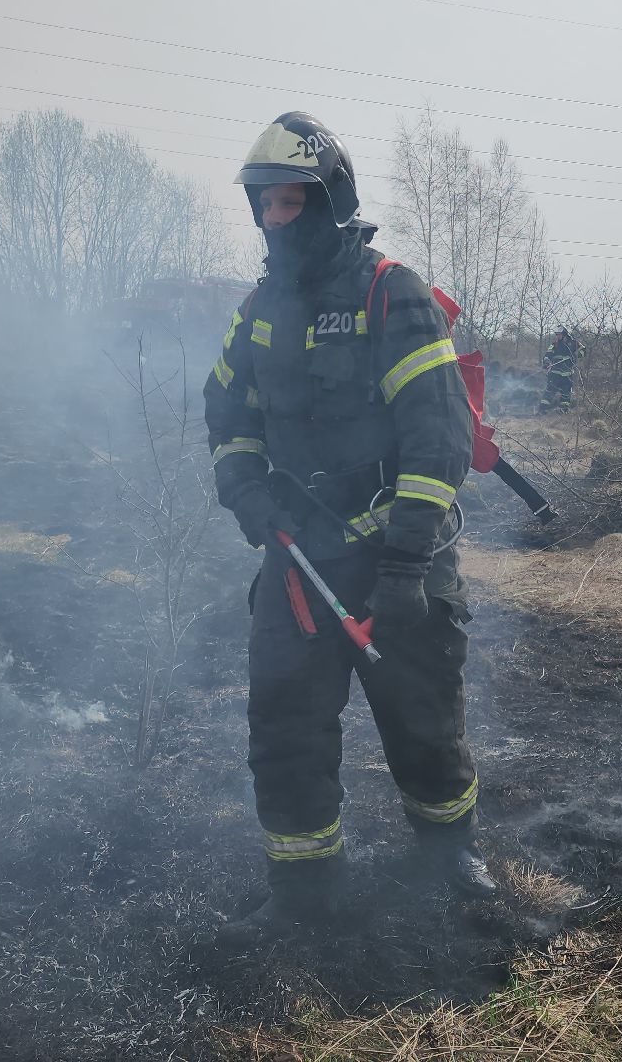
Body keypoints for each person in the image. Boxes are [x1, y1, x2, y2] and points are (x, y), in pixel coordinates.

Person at [202, 112, 496, 944]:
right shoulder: (260, 310)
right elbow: (228, 409)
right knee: (284, 728)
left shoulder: (390, 293)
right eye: (263, 204)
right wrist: (246, 491)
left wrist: (404, 566)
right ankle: (304, 897)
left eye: (288, 202)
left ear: (330, 200)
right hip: (297, 559)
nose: (272, 219)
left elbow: (438, 437)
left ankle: (450, 858)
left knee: (423, 717)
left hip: (398, 556)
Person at [541, 328, 580, 412]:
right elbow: (547, 354)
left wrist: (576, 355)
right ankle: (542, 409)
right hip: (555, 373)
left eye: (559, 334)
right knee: (550, 391)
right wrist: (546, 362)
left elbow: (583, 350)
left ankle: (563, 411)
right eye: (557, 334)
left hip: (567, 375)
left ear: (564, 334)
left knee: (566, 393)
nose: (557, 336)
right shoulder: (555, 344)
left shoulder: (573, 343)